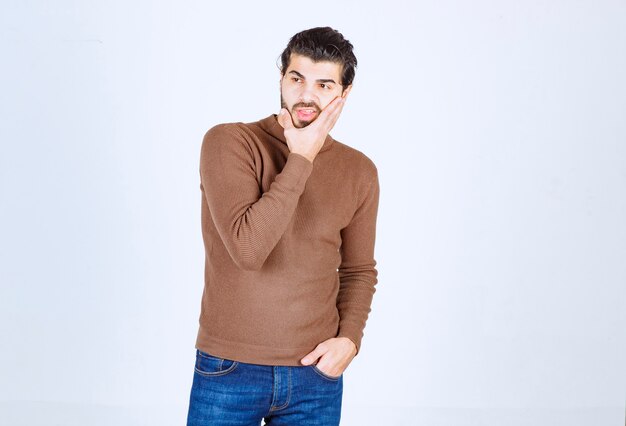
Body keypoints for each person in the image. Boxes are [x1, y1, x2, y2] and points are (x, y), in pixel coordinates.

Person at [186, 26, 380, 426]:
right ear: (281, 79)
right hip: (229, 369)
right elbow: (248, 250)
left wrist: (350, 341)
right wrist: (301, 159)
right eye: (297, 79)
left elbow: (359, 271)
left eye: (324, 85)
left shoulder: (358, 171)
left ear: (343, 96)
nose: (307, 95)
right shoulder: (229, 142)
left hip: (315, 376)